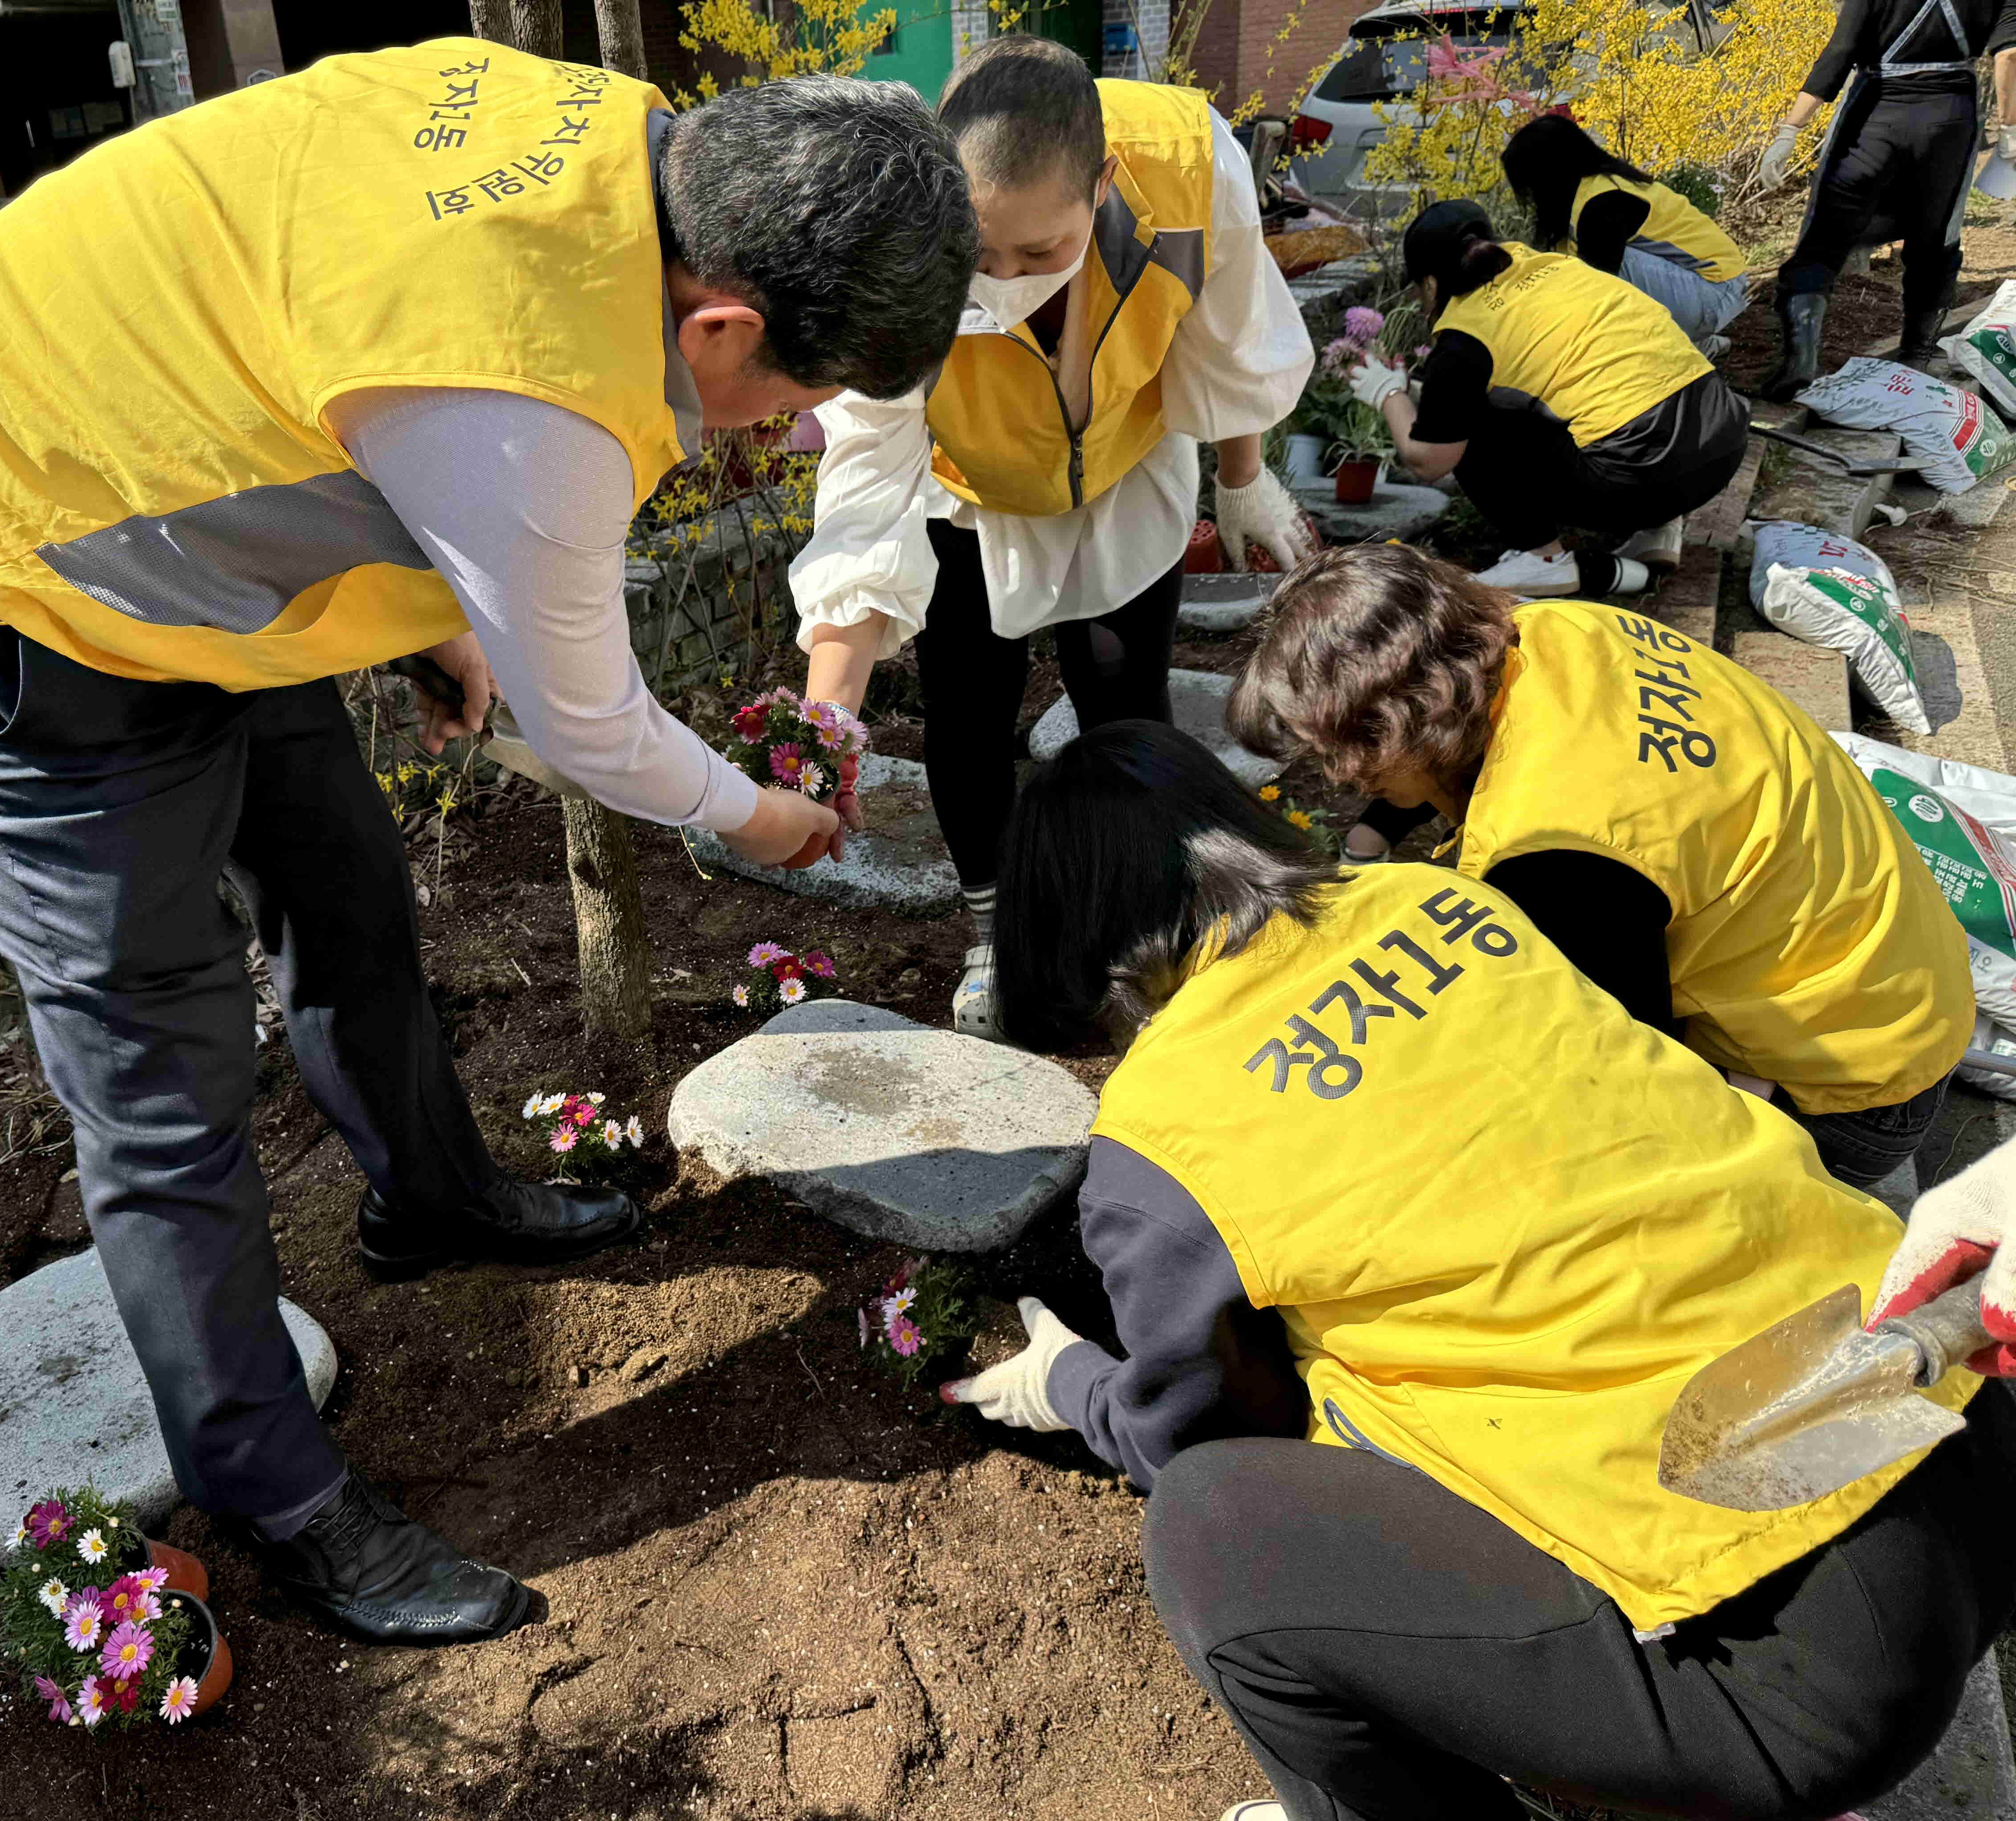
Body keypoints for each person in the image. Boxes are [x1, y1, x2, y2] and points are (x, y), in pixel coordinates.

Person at [0, 43, 973, 1647]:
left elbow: (318, 337)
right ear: (721, 324)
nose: (778, 433)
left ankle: (428, 1199)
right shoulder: (531, 405)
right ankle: (277, 1495)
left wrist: (439, 618)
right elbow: (589, 725)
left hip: (165, 511)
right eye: (790, 396)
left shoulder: (612, 137)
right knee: (160, 1067)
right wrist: (762, 816)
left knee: (348, 888)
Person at [943, 718, 2010, 1821]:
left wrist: (1068, 1383)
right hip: (1959, 1425)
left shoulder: (1163, 1135)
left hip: (1798, 1676)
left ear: (1070, 936)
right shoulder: (1433, 901)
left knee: (1216, 1531)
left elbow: (1198, 1431)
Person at [789, 34, 1314, 1038]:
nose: (1004, 277)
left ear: (1104, 182)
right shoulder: (899, 229)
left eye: (1037, 253)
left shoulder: (1190, 165)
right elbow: (866, 470)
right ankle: (995, 923)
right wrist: (825, 728)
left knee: (1125, 708)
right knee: (968, 712)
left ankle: (1144, 918)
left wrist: (1241, 478)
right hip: (969, 491)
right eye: (978, 255)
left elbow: (1227, 336)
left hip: (1121, 468)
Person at [1231, 543, 1974, 1189]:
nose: (1339, 779)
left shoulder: (1559, 845)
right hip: (1898, 980)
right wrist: (1373, 841)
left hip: (1853, 1094)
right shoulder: (1561, 631)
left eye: (1346, 758)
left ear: (1398, 733)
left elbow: (1625, 1077)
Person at [1345, 199, 1749, 601]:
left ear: (1431, 284)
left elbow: (1429, 460)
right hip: (1721, 446)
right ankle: (1660, 530)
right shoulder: (1559, 268)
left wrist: (1389, 394)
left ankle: (1543, 558)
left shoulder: (1464, 337)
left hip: (1643, 479)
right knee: (1619, 399)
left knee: (1477, 423)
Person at [1755, 0, 2016, 398]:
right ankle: (1916, 357)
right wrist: (2009, 130)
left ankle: (1800, 362)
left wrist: (1790, 129)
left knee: (1824, 237)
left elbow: (1841, 51)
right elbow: (2010, 55)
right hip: (1949, 121)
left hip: (1874, 116)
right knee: (1936, 239)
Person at [1500, 114, 1750, 352]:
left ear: (1547, 175)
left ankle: (1673, 346)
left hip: (1717, 293)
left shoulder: (1604, 204)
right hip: (1697, 290)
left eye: (1530, 184)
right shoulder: (1581, 198)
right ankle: (1693, 343)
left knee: (1593, 280)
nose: (1531, 196)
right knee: (1568, 271)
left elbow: (1596, 295)